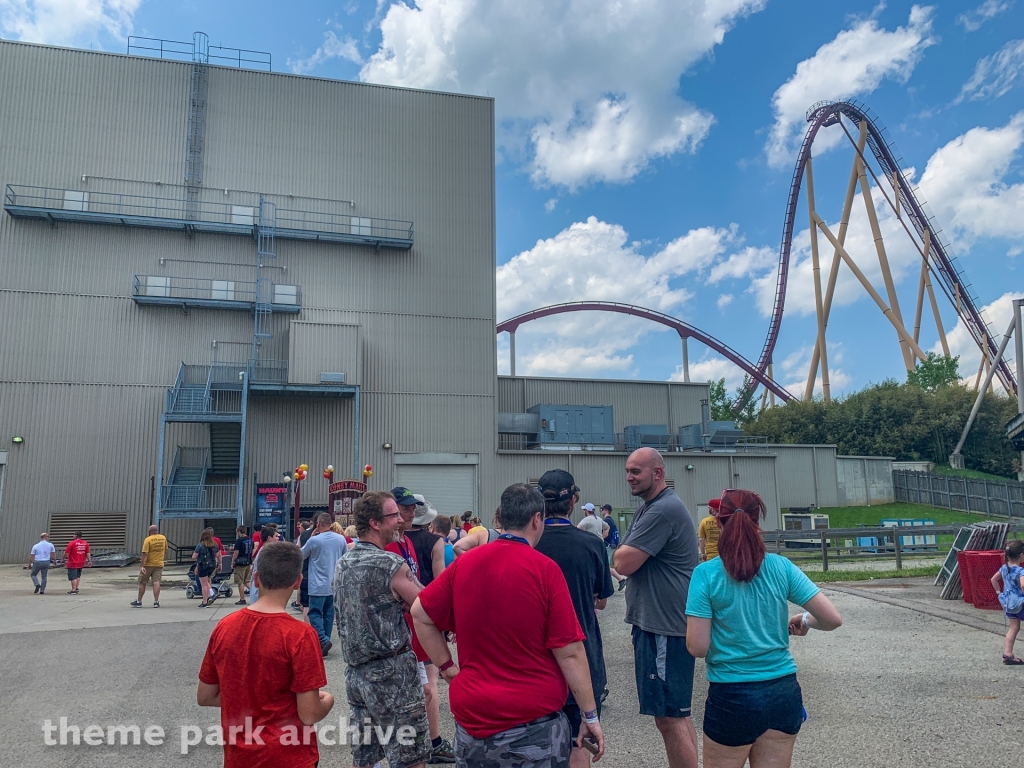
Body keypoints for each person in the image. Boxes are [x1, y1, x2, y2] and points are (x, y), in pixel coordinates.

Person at [413, 482, 605, 768]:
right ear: (536, 519)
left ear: (500, 519)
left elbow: (420, 613)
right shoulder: (544, 569)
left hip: (474, 721)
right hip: (532, 724)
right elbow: (570, 651)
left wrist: (447, 667)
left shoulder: (466, 564)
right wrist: (589, 715)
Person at [685, 489, 843, 768]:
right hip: (782, 692)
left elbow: (697, 647)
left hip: (731, 696)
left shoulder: (706, 574)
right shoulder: (781, 567)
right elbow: (831, 619)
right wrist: (804, 620)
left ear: (719, 523)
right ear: (757, 523)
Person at [198, 541, 334, 768]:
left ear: (257, 578)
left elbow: (205, 696)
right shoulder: (300, 634)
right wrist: (328, 701)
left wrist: (249, 697)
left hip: (239, 757)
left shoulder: (225, 627)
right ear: (298, 582)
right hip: (289, 756)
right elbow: (309, 713)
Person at [614, 447, 700, 768]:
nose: (629, 477)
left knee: (669, 718)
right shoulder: (651, 507)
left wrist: (624, 553)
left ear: (658, 473)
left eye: (636, 471)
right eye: (628, 471)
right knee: (676, 713)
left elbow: (622, 561)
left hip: (664, 628)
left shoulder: (662, 510)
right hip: (662, 625)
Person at [333, 491, 431, 768]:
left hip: (356, 675)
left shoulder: (344, 562)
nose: (401, 521)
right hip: (392, 674)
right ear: (375, 523)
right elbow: (425, 605)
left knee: (366, 757)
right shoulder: (389, 563)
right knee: (410, 756)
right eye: (394, 516)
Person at [534, 470, 615, 768]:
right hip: (582, 653)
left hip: (536, 657)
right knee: (580, 740)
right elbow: (603, 600)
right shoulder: (591, 544)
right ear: (574, 501)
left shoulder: (529, 545)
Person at [388, 487, 456, 764]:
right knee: (424, 687)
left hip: (420, 620)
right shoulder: (395, 546)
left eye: (412, 508)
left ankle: (428, 742)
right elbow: (438, 584)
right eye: (404, 508)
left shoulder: (410, 544)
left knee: (427, 686)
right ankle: (424, 742)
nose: (410, 512)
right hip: (409, 625)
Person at [301, 512, 347, 656]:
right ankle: (324, 643)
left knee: (314, 613)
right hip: (334, 584)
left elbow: (301, 555)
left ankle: (322, 639)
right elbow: (345, 558)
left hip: (317, 584)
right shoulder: (341, 539)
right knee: (328, 614)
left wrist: (312, 537)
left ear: (318, 524)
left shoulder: (314, 540)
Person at [991, 539, 1024, 665]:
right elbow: (1023, 585)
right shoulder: (1020, 571)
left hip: (1008, 604)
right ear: (1021, 555)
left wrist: (999, 593)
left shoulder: (1004, 568)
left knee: (1013, 628)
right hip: (1021, 604)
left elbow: (994, 580)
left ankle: (1008, 654)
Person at [132, 525, 167, 608]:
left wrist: (142, 566)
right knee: (156, 582)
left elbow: (145, 553)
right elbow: (165, 550)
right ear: (157, 531)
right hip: (159, 564)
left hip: (148, 565)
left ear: (150, 532)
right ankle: (156, 602)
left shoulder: (148, 539)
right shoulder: (163, 538)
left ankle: (139, 601)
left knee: (143, 582)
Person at [193, 528, 221, 608]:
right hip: (212, 565)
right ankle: (211, 594)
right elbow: (217, 555)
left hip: (203, 565)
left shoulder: (200, 545)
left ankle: (205, 601)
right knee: (207, 581)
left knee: (204, 584)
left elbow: (194, 556)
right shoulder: (215, 545)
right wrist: (220, 564)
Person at [602, 504, 626, 591]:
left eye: (602, 509)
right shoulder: (611, 520)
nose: (601, 511)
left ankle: (621, 579)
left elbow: (606, 534)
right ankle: (619, 580)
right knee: (606, 565)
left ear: (606, 510)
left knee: (605, 566)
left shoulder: (607, 521)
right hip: (611, 545)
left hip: (608, 545)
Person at [231, 525, 255, 606]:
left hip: (240, 563)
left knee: (240, 581)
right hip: (248, 562)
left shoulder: (239, 540)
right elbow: (252, 550)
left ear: (239, 532)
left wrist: (232, 561)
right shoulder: (250, 540)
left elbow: (236, 552)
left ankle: (242, 599)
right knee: (246, 581)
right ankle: (257, 594)